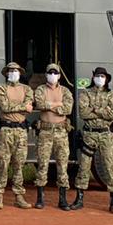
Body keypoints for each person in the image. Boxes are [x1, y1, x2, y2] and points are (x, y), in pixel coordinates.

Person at [75, 66, 113, 213]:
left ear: (106, 79)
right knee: (84, 166)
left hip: (105, 134)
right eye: (97, 76)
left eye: (103, 76)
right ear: (93, 77)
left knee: (108, 166)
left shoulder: (112, 94)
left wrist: (94, 109)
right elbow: (83, 113)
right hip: (89, 134)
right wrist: (103, 111)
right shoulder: (85, 93)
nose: (100, 78)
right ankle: (79, 198)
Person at [33, 62, 74, 210]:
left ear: (59, 75)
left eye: (55, 73)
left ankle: (63, 199)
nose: (52, 75)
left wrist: (50, 105)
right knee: (42, 164)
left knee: (62, 165)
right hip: (45, 132)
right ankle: (40, 198)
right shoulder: (40, 89)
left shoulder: (65, 91)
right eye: (50, 73)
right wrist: (57, 104)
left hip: (61, 132)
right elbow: (39, 104)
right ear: (46, 74)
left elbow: (68, 109)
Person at [0, 62, 32, 209]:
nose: (13, 73)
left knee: (19, 164)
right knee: (3, 163)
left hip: (21, 131)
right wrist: (22, 107)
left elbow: (29, 108)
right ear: (6, 73)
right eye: (10, 70)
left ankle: (19, 196)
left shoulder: (27, 89)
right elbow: (4, 107)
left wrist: (16, 107)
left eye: (15, 70)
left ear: (20, 73)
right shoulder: (0, 88)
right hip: (6, 130)